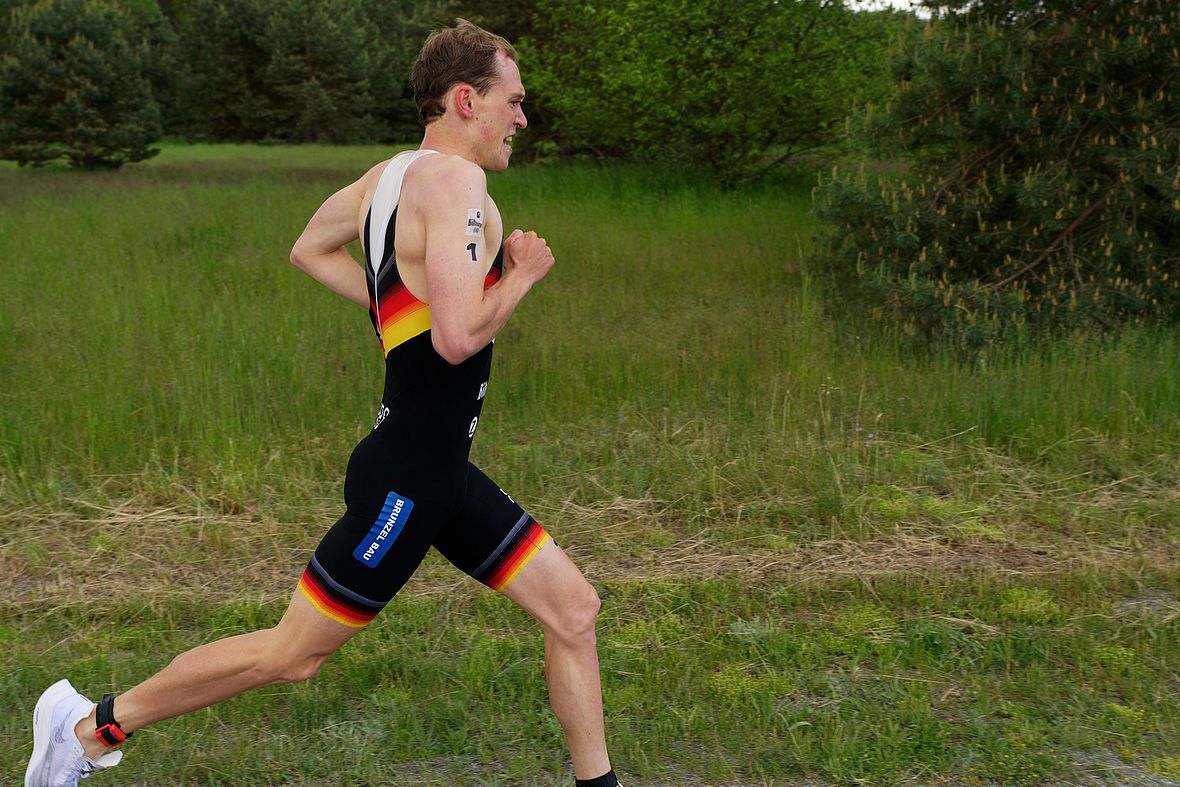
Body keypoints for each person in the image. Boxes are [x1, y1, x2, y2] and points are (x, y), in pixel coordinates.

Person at [26, 19, 620, 787]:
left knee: (573, 610)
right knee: (291, 655)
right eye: (514, 100)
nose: (523, 119)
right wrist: (522, 276)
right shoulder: (455, 182)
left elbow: (311, 248)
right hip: (409, 479)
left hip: (438, 471)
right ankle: (85, 726)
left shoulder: (387, 180)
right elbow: (457, 339)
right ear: (466, 100)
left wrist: (403, 314)